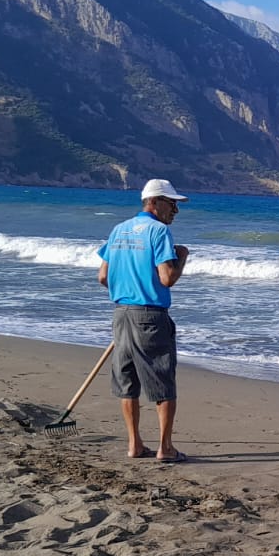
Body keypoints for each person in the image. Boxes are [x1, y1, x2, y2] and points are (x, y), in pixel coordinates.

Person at [97, 178, 191, 463]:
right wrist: (182, 258)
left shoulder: (119, 230)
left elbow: (103, 276)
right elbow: (167, 278)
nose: (175, 210)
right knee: (162, 381)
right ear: (155, 202)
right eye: (172, 203)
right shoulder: (159, 232)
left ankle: (134, 444)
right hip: (150, 315)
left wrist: (127, 287)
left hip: (122, 312)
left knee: (128, 382)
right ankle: (165, 447)